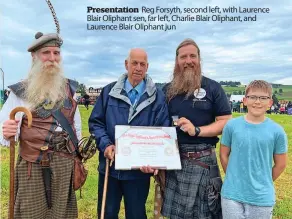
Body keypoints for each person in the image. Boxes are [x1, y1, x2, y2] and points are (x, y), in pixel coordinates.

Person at [0, 32, 81, 218]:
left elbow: (76, 126)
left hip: (63, 163)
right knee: (31, 213)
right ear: (34, 56)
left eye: (56, 53)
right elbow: (3, 124)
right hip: (32, 165)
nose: (52, 58)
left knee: (61, 214)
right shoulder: (19, 91)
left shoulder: (70, 89)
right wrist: (5, 130)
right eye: (46, 52)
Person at [88, 48, 170, 219]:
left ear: (147, 67)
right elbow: (96, 123)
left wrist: (153, 161)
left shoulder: (157, 97)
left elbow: (163, 130)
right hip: (110, 168)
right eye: (134, 63)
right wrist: (106, 144)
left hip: (138, 172)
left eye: (142, 64)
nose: (138, 68)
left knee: (136, 214)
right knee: (107, 214)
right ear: (126, 64)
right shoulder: (108, 92)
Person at [161, 38, 232, 219]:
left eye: (193, 56)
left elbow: (225, 121)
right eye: (183, 57)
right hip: (174, 160)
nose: (188, 61)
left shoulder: (213, 87)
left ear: (199, 59)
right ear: (177, 61)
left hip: (203, 161)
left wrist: (197, 130)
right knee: (176, 215)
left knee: (205, 214)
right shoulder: (167, 90)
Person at [220, 80, 288, 219]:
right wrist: (233, 178)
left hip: (261, 197)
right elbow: (223, 155)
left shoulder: (277, 131)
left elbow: (281, 164)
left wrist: (264, 181)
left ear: (270, 103)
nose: (258, 102)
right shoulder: (231, 126)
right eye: (253, 97)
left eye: (263, 98)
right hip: (232, 194)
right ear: (245, 100)